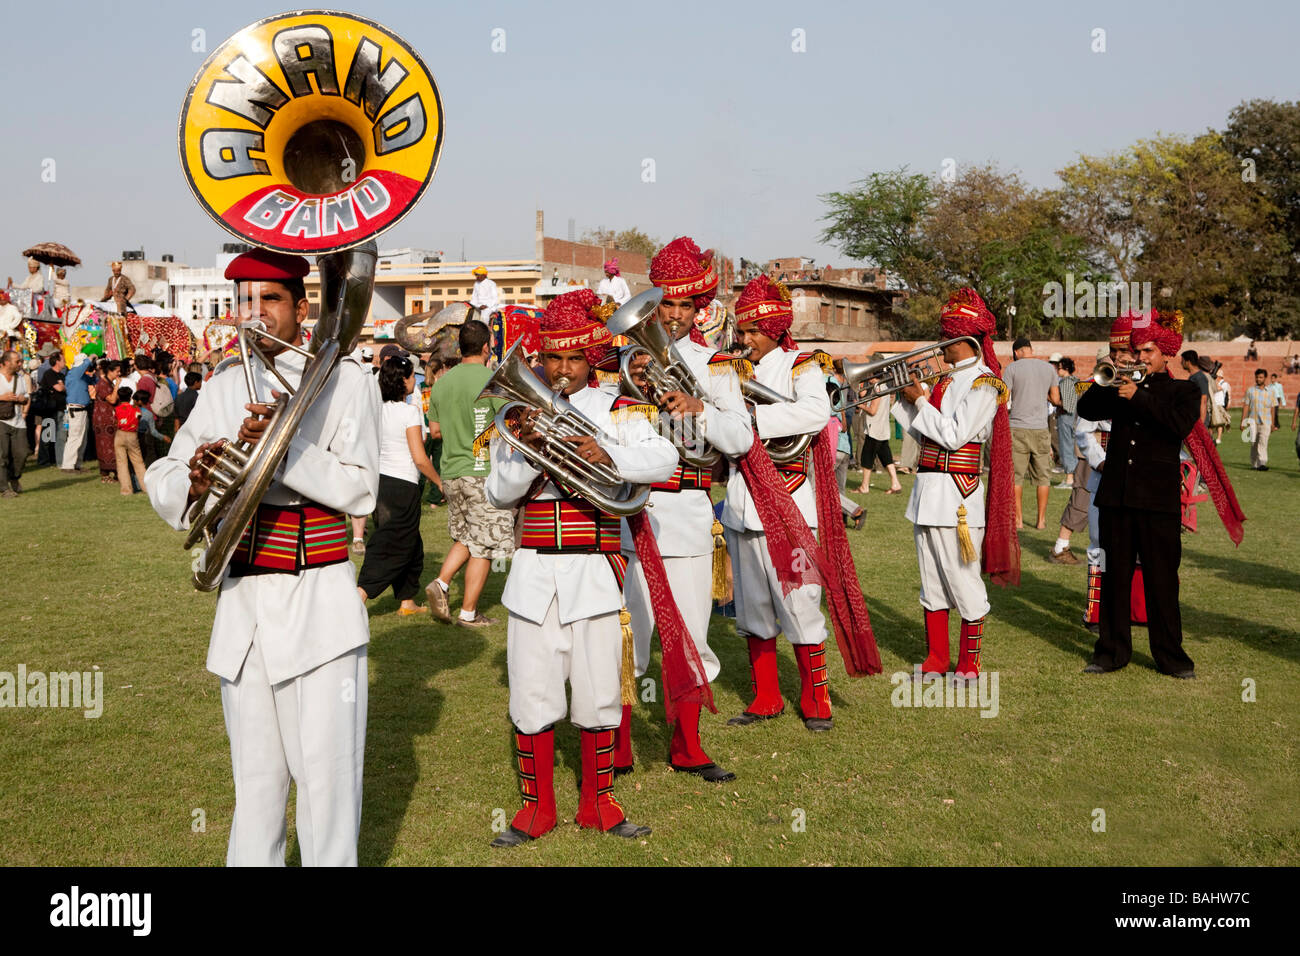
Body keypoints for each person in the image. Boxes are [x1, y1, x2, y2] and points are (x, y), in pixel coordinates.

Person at [145, 248, 381, 866]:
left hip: (319, 607)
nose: (255, 313)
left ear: (302, 307)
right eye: (245, 301)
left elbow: (360, 487)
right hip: (244, 609)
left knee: (327, 787)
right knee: (254, 789)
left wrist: (282, 439)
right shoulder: (222, 385)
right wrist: (195, 481)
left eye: (270, 299)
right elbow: (166, 474)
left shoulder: (347, 380)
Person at [485, 288, 678, 847]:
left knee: (597, 693)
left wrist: (608, 454)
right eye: (552, 359)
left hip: (594, 571)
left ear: (591, 359)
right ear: (538, 360)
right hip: (532, 574)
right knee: (531, 691)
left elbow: (666, 457)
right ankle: (535, 809)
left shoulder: (617, 407)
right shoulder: (514, 416)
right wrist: (525, 452)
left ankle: (599, 805)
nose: (562, 371)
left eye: (573, 360)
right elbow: (499, 494)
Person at [611, 236, 754, 783]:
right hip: (632, 511)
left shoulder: (715, 364)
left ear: (701, 308)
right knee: (631, 630)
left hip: (691, 513)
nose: (671, 315)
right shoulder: (624, 361)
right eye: (664, 303)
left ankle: (687, 745)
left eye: (683, 305)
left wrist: (701, 409)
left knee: (692, 632)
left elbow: (740, 438)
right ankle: (619, 745)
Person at [722, 275, 880, 732]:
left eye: (753, 331)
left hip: (792, 505)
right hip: (742, 503)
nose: (745, 338)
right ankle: (766, 697)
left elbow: (815, 412)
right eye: (743, 329)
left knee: (802, 602)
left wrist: (749, 419)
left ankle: (817, 699)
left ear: (774, 328)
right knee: (751, 608)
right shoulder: (729, 369)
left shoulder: (802, 364)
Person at [1078, 309, 1243, 678]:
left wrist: (1137, 396)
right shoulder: (1118, 384)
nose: (1140, 357)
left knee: (1162, 581)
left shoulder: (1183, 391)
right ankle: (1110, 652)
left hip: (1158, 502)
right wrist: (1107, 375)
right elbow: (1085, 408)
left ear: (1166, 354)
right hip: (1116, 499)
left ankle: (1172, 657)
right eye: (1137, 351)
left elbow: (1177, 426)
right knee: (1115, 578)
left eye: (1147, 351)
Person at [892, 288, 1018, 679]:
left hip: (958, 498)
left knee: (964, 581)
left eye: (945, 336)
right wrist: (905, 397)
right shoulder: (946, 380)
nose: (939, 344)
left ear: (962, 341)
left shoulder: (985, 383)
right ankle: (936, 658)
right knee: (931, 580)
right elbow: (921, 433)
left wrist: (920, 401)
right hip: (928, 492)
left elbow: (954, 435)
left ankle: (969, 664)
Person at [425, 319, 514, 626]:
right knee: (484, 544)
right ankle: (467, 612)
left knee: (466, 535)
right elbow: (507, 429)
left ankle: (442, 583)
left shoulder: (442, 383)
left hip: (451, 471)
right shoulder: (493, 381)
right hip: (482, 469)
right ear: (487, 347)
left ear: (459, 347)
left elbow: (434, 432)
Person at [356, 354, 443, 615]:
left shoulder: (375, 410)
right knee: (389, 544)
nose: (414, 380)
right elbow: (419, 458)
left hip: (380, 483)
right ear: (404, 381)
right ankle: (359, 594)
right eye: (410, 376)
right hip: (402, 485)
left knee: (412, 544)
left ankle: (407, 600)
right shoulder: (409, 412)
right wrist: (438, 482)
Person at [1049, 348, 1106, 566]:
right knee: (1082, 499)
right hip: (1091, 453)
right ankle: (1060, 547)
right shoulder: (1093, 383)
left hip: (1106, 451)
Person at [1001, 337, 1060, 530]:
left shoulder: (1012, 369)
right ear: (1030, 349)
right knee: (1043, 477)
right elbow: (1055, 398)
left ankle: (1018, 520)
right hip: (1041, 428)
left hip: (1017, 427)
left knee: (1016, 477)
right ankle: (1041, 521)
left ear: (1017, 352)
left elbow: (1004, 398)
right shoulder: (1049, 369)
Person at [60, 351, 97, 472]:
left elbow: (94, 381)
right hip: (76, 409)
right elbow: (85, 363)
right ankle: (68, 465)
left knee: (82, 438)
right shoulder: (74, 372)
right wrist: (92, 357)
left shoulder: (80, 375)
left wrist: (96, 369)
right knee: (75, 437)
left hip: (82, 410)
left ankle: (77, 464)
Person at [0, 349, 30, 497]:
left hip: (18, 421)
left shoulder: (20, 377)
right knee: (2, 455)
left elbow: (26, 397)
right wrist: (3, 397)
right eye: (17, 361)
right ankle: (4, 488)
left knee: (22, 453)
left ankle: (15, 477)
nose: (20, 363)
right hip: (1, 421)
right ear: (6, 363)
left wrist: (21, 399)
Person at [112, 386, 148, 495]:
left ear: (119, 397)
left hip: (120, 434)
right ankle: (146, 487)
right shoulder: (136, 409)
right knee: (138, 462)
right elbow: (139, 418)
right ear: (131, 397)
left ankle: (126, 490)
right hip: (132, 435)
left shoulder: (116, 409)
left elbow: (115, 422)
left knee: (121, 463)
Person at [1050, 356, 1079, 489]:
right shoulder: (1075, 381)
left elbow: (1067, 405)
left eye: (1059, 368)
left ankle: (1069, 479)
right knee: (1071, 447)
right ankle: (1071, 477)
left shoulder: (1066, 382)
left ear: (1066, 369)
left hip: (1066, 418)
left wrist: (1051, 399)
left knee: (1066, 447)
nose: (1057, 370)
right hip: (1073, 419)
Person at [91, 359, 121, 483]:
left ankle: (112, 473)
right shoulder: (103, 384)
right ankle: (106, 473)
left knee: (111, 445)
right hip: (103, 420)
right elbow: (112, 400)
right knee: (106, 446)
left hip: (109, 418)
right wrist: (118, 386)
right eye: (117, 371)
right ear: (111, 371)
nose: (119, 374)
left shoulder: (109, 383)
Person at [1241, 368, 1274, 470]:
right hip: (1252, 421)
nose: (1258, 379)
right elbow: (1246, 405)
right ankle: (1254, 464)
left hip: (1266, 422)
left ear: (1265, 378)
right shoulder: (1250, 391)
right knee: (1254, 443)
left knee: (1263, 442)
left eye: (1261, 377)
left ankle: (1262, 463)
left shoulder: (1271, 392)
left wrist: (1273, 423)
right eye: (1257, 377)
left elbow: (1273, 408)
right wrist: (1243, 421)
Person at [1180, 350, 1211, 427]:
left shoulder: (1200, 378)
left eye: (1182, 361)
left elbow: (1203, 400)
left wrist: (1202, 423)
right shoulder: (1193, 377)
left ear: (1188, 362)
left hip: (1199, 419)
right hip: (1192, 418)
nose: (1181, 363)